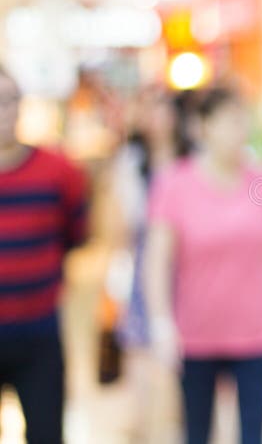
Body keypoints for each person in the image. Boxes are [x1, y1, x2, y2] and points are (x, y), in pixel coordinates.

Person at [145, 87, 262, 444]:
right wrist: (161, 321)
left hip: (256, 330)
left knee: (253, 433)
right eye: (226, 121)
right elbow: (157, 259)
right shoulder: (175, 183)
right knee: (197, 431)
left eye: (241, 121)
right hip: (197, 332)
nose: (236, 131)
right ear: (202, 127)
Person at [0, 65, 88, 443]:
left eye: (8, 101)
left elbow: (76, 234)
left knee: (47, 433)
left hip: (39, 330)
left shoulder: (59, 170)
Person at [107, 88, 194, 435]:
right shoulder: (131, 161)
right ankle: (139, 420)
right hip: (144, 256)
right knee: (139, 340)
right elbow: (122, 220)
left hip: (188, 260)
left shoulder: (190, 160)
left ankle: (185, 414)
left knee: (186, 341)